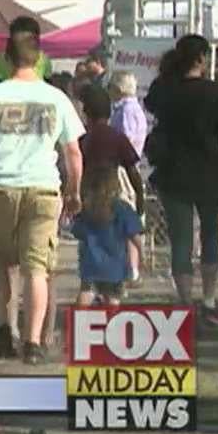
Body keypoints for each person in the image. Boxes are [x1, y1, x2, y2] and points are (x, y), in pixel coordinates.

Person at [0, 28, 85, 365]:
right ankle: (34, 341)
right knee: (36, 269)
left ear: (6, 59)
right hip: (43, 189)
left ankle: (1, 329)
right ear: (38, 59)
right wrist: (74, 190)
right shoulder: (57, 99)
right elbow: (73, 152)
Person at [144, 34, 218, 327]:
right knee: (210, 236)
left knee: (180, 240)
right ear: (202, 58)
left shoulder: (163, 88)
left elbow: (153, 109)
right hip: (209, 175)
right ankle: (210, 301)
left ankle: (185, 302)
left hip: (172, 174)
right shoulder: (213, 93)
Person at [78, 85, 147, 286]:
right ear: (109, 112)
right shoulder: (117, 137)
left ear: (86, 114)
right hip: (112, 195)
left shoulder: (84, 140)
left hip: (89, 197)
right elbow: (133, 171)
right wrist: (140, 198)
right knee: (115, 239)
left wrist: (73, 195)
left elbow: (75, 169)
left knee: (90, 243)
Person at [72, 167, 143, 307]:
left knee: (86, 295)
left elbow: (77, 232)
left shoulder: (87, 209)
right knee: (113, 302)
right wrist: (141, 254)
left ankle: (76, 324)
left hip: (91, 265)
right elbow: (135, 236)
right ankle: (111, 325)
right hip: (116, 268)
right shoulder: (122, 208)